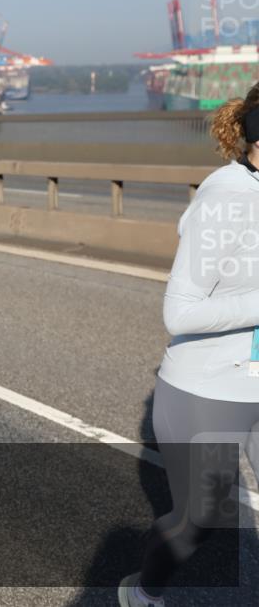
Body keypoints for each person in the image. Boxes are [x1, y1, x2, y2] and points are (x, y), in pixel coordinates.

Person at [119, 85, 259, 607]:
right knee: (201, 518)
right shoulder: (226, 199)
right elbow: (179, 313)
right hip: (208, 387)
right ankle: (144, 590)